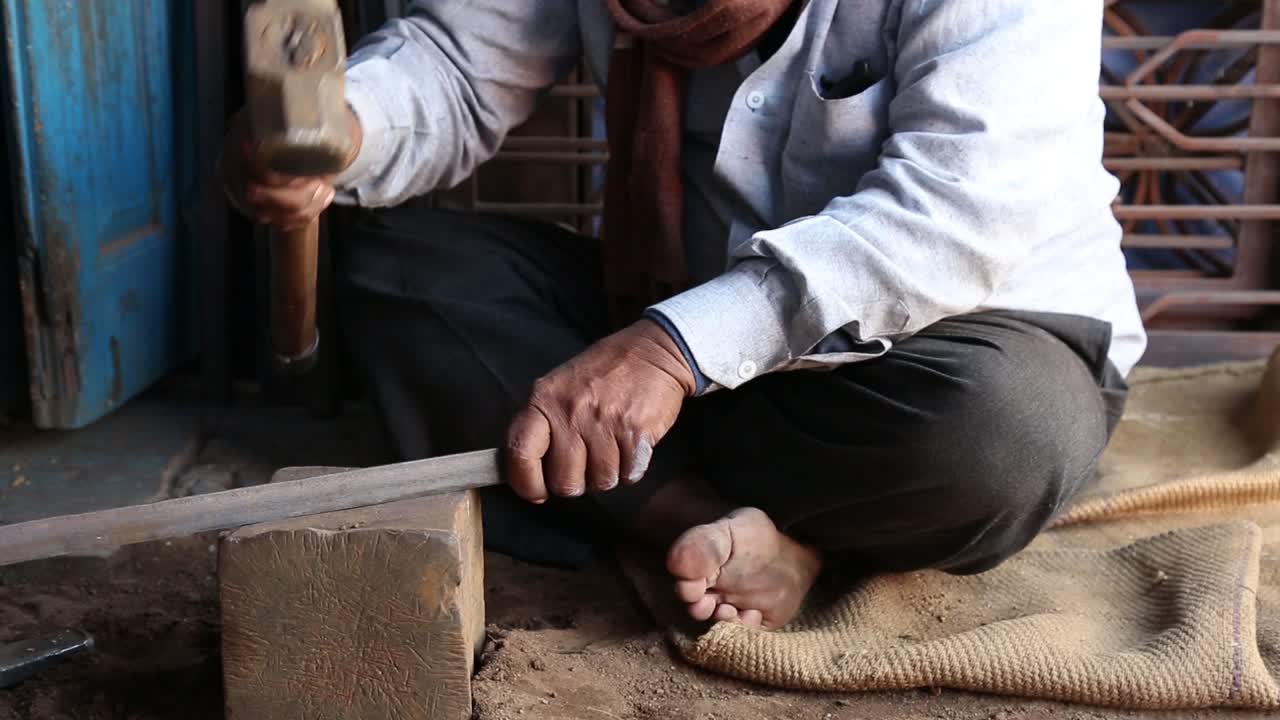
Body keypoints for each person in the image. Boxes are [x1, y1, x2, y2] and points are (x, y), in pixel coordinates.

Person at [221, 0, 1146, 630]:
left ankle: (668, 487)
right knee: (399, 267)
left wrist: (670, 353)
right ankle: (694, 516)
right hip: (672, 310)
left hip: (957, 339)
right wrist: (342, 129)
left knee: (997, 440)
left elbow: (953, 214)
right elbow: (461, 67)